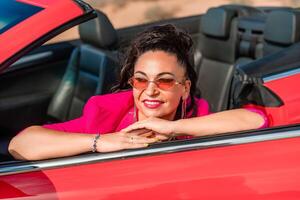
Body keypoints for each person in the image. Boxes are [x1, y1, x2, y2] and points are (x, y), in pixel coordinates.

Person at [8, 24, 267, 160]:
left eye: (165, 81)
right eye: (141, 81)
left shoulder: (195, 113)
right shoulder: (107, 112)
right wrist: (101, 142)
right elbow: (20, 144)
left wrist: (173, 128)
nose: (150, 91)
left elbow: (256, 120)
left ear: (185, 88)